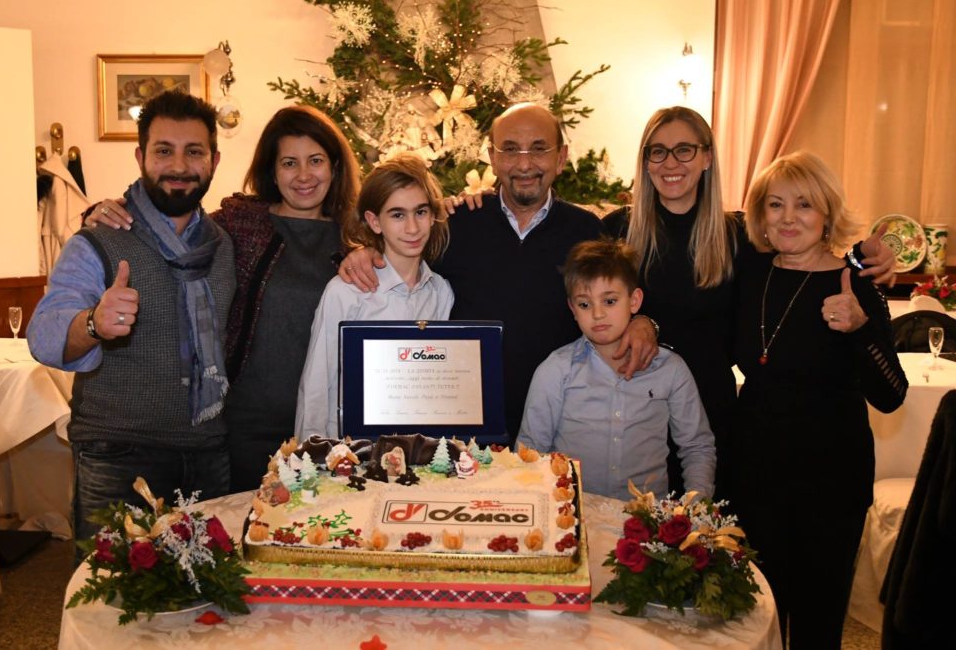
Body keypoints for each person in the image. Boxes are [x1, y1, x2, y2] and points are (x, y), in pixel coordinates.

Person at [601, 106, 896, 497]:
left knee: (708, 530)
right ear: (645, 161)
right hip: (634, 414)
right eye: (658, 151)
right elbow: (580, 300)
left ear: (707, 157)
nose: (671, 162)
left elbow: (808, 259)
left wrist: (861, 258)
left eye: (684, 149)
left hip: (715, 417)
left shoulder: (738, 237)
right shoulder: (616, 231)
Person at [339, 104, 658, 443]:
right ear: (491, 157)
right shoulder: (455, 224)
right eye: (510, 149)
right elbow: (403, 255)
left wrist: (644, 322)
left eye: (539, 149)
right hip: (466, 430)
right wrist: (367, 251)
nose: (524, 164)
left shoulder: (587, 231)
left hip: (562, 423)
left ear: (561, 157)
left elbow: (618, 299)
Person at [86, 105, 362, 493]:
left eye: (315, 160)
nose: (303, 175)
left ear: (334, 166)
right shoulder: (240, 223)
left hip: (329, 428)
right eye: (289, 162)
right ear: (272, 170)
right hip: (244, 427)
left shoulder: (358, 238)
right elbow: (170, 227)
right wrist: (102, 212)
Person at [27, 91, 235, 541]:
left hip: (209, 454)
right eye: (163, 151)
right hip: (117, 456)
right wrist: (93, 323)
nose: (179, 166)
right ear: (141, 157)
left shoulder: (224, 245)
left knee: (207, 585)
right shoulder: (99, 240)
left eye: (193, 152)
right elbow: (43, 335)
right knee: (109, 584)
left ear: (214, 161)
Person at [732, 151, 907, 647]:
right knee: (755, 618)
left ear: (827, 213)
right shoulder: (750, 272)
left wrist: (860, 328)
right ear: (761, 214)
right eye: (776, 205)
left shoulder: (855, 284)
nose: (789, 218)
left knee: (817, 625)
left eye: (804, 204)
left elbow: (892, 395)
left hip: (830, 484)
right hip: (755, 475)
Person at [517, 238, 715, 499]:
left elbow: (697, 447)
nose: (598, 314)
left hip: (646, 517)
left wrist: (695, 506)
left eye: (609, 301)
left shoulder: (670, 369)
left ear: (634, 300)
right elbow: (530, 452)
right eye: (585, 304)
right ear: (572, 309)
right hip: (574, 514)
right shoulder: (556, 370)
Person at [295, 153, 454, 440]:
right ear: (374, 221)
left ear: (433, 216)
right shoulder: (345, 292)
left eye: (420, 212)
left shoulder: (440, 292)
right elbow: (317, 383)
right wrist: (312, 453)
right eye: (397, 215)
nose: (412, 228)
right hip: (350, 448)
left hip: (417, 446)